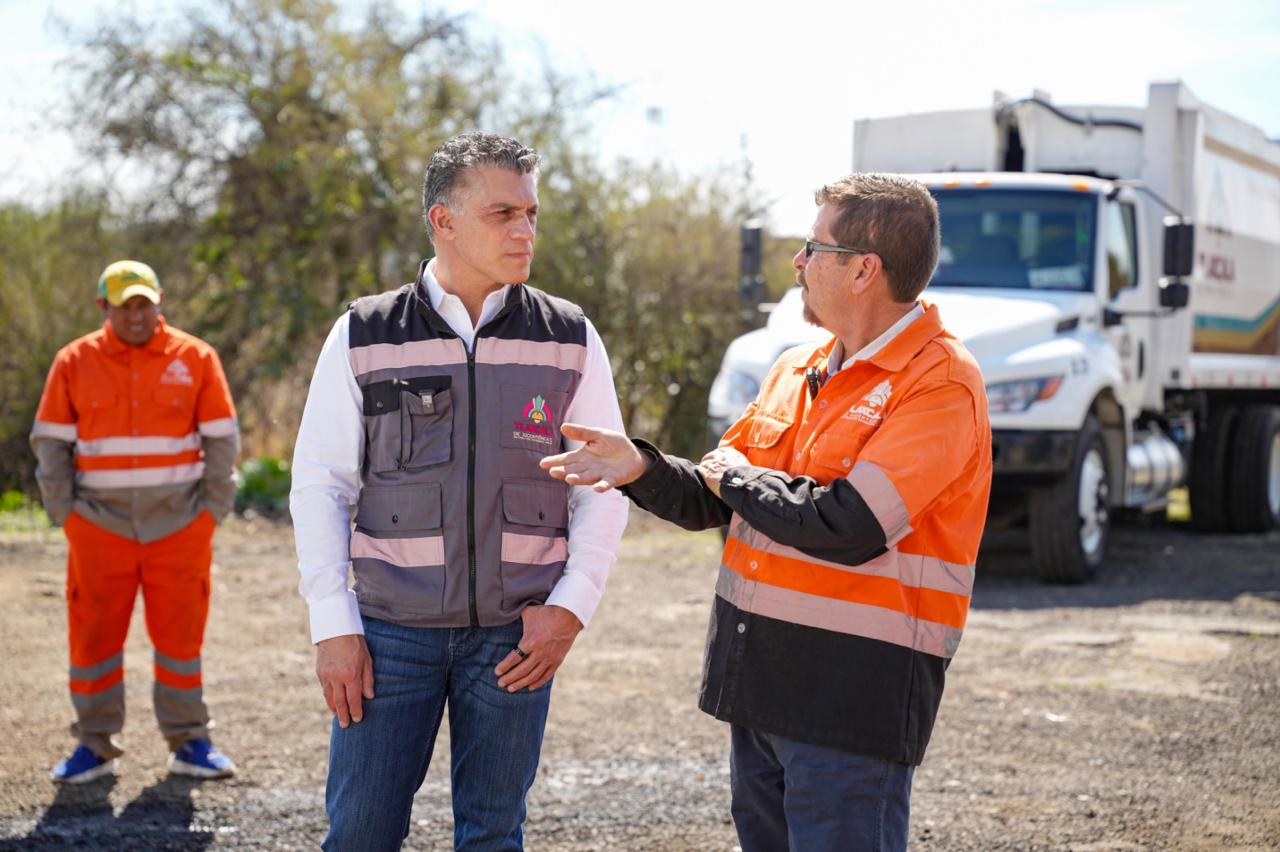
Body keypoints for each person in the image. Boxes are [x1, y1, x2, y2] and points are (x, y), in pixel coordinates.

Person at [541, 173, 993, 851]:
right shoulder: (795, 368)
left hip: (850, 700)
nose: (797, 262)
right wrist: (640, 467)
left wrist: (736, 478)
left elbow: (851, 524)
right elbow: (716, 496)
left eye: (814, 247)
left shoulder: (941, 382)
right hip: (761, 685)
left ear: (864, 269)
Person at [289, 132, 629, 851]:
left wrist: (571, 608)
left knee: (494, 836)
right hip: (387, 634)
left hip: (516, 636)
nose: (525, 230)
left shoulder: (569, 336)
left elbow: (603, 486)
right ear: (443, 221)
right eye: (503, 213)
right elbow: (321, 485)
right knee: (360, 835)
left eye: (531, 213)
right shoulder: (364, 333)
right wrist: (333, 623)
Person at [31, 259, 240, 784]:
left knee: (180, 641)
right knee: (93, 640)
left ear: (159, 300)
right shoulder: (73, 361)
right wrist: (66, 515)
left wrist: (209, 513)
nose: (136, 315)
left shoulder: (196, 357)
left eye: (144, 303)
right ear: (103, 307)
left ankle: (190, 742)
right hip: (98, 529)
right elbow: (50, 445)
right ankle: (94, 744)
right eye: (125, 306)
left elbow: (222, 440)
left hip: (179, 528)